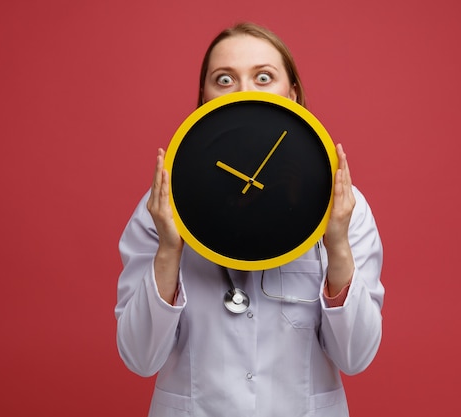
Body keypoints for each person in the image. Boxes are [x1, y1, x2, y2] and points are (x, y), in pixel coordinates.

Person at [115, 22, 384, 416]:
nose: (244, 93)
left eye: (263, 77)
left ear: (291, 94)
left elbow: (356, 357)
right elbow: (139, 358)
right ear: (204, 98)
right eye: (224, 79)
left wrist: (337, 245)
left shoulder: (343, 207)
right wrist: (169, 250)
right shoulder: (161, 209)